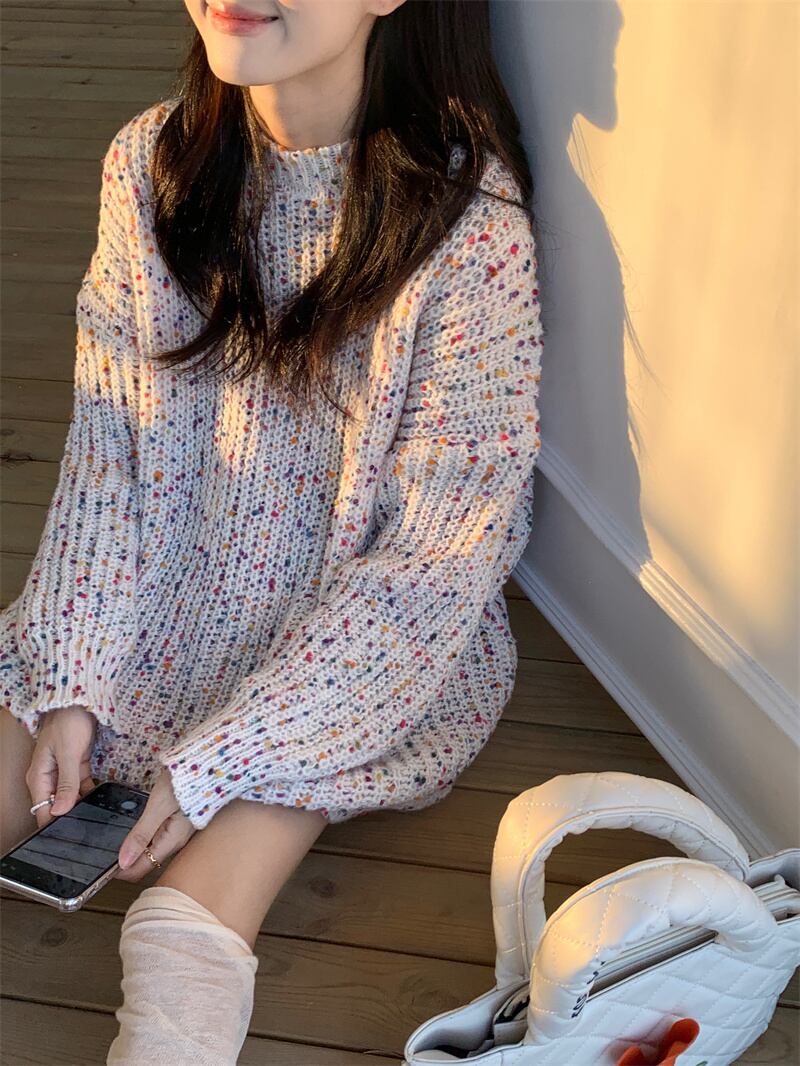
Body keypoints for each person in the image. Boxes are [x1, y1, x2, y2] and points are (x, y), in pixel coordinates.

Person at [0, 0, 545, 1061]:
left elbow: (432, 568)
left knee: (186, 922)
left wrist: (225, 758)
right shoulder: (150, 163)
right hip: (138, 602)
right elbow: (108, 458)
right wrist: (69, 680)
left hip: (350, 658)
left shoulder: (471, 231)